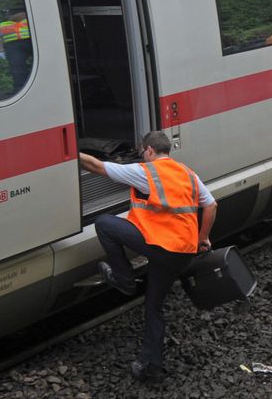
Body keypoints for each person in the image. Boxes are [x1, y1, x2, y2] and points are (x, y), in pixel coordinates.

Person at [79, 131, 218, 382]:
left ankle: (124, 279)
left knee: (104, 223)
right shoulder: (188, 173)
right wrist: (203, 238)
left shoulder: (145, 171)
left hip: (160, 247)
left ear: (149, 151)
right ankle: (152, 367)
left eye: (143, 152)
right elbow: (211, 205)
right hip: (182, 253)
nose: (143, 155)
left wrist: (66, 153)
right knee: (154, 306)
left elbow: (96, 166)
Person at [0, 7, 33, 88]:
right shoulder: (2, 25)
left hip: (31, 42)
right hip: (13, 46)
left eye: (11, 14)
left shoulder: (30, 20)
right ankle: (20, 87)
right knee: (17, 68)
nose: (9, 16)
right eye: (9, 14)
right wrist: (1, 49)